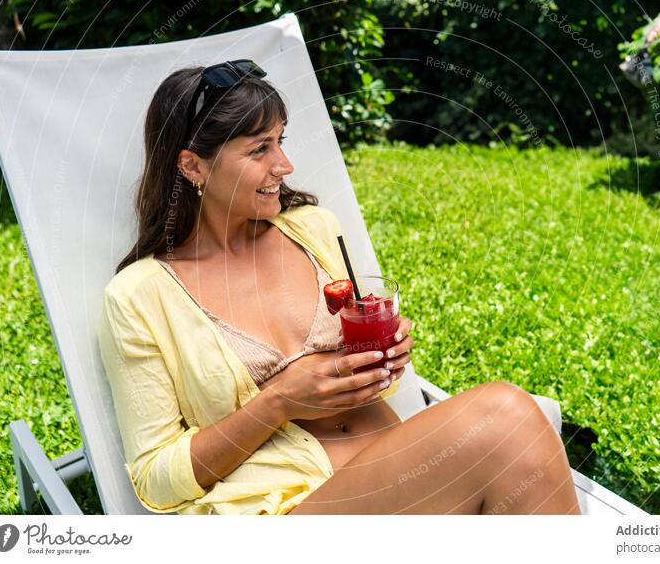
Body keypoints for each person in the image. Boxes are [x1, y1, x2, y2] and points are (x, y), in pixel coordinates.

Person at [98, 60, 581, 515]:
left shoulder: (314, 230)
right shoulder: (139, 295)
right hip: (290, 511)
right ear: (193, 166)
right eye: (259, 148)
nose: (284, 165)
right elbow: (154, 480)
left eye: (280, 141)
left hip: (407, 481)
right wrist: (279, 401)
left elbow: (365, 360)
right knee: (504, 416)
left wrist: (383, 355)